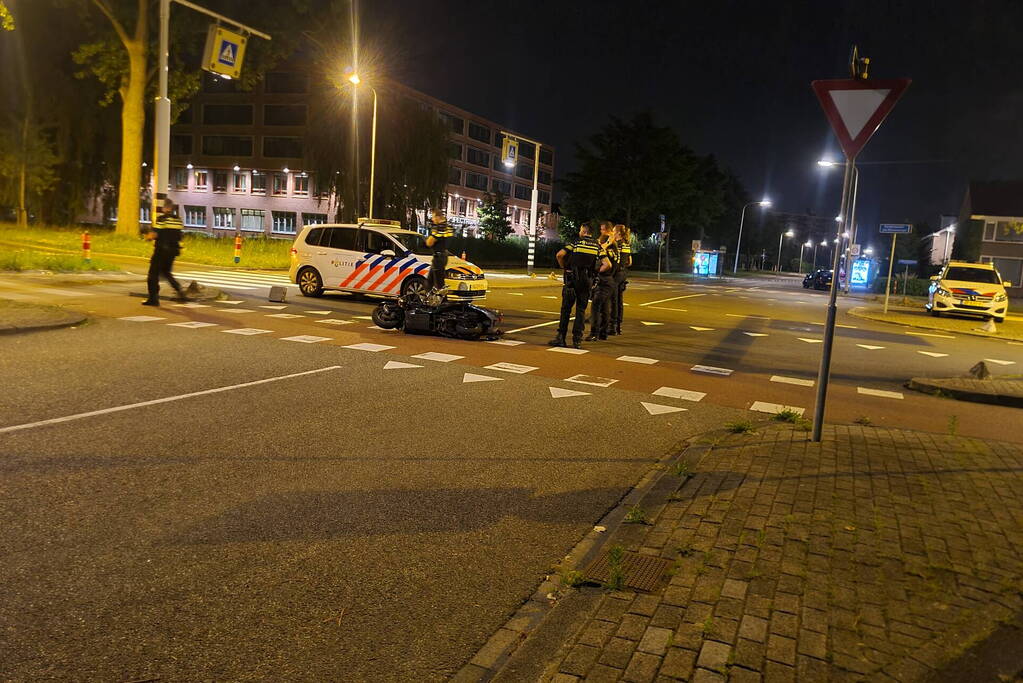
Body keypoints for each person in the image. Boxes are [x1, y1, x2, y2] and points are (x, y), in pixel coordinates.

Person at [549, 222, 610, 349]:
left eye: (580, 230)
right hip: (587, 280)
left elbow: (559, 255)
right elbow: (607, 264)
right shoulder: (597, 246)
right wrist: (594, 273)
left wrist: (564, 267)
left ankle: (561, 338)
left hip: (572, 280)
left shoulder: (576, 242)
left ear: (583, 231)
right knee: (581, 310)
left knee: (566, 309)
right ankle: (577, 340)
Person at [141, 198, 186, 306]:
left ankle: (153, 299)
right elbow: (179, 235)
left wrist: (147, 237)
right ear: (172, 208)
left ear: (164, 208)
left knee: (152, 275)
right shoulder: (178, 220)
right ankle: (179, 290)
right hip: (173, 251)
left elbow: (154, 235)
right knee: (166, 272)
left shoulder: (162, 219)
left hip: (161, 251)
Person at [587, 221, 617, 341]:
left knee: (595, 307)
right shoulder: (615, 247)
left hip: (603, 280)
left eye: (602, 230)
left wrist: (597, 271)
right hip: (610, 280)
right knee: (605, 308)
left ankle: (594, 333)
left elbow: (607, 264)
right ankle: (603, 333)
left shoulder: (605, 248)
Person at [609, 224, 632, 335]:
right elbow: (630, 261)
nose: (612, 233)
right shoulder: (626, 244)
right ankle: (618, 325)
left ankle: (612, 326)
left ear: (618, 233)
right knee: (619, 300)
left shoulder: (617, 245)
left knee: (613, 300)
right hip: (623, 273)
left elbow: (614, 260)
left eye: (613, 231)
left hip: (616, 274)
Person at [425, 208, 453, 294]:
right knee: (430, 281)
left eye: (433, 217)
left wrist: (429, 239)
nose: (432, 219)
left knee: (438, 283)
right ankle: (430, 301)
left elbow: (429, 243)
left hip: (438, 257)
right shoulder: (448, 227)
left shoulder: (439, 227)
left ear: (437, 217)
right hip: (444, 255)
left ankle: (441, 303)